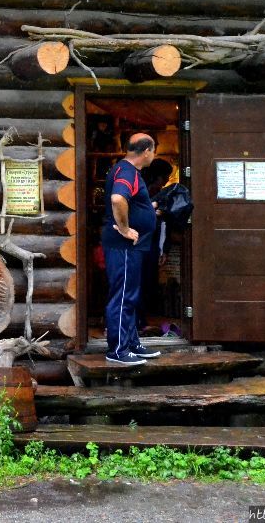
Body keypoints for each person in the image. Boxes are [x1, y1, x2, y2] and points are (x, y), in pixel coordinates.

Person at [100, 133, 161, 366]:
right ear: (146, 151)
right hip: (123, 245)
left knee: (130, 294)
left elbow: (129, 201)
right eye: (153, 151)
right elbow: (117, 199)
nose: (153, 155)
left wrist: (149, 208)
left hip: (129, 247)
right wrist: (125, 229)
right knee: (123, 294)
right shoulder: (126, 172)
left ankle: (131, 343)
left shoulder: (126, 170)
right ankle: (117, 350)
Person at [137, 157, 174, 336]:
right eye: (166, 176)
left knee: (146, 284)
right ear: (158, 176)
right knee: (140, 283)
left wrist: (163, 249)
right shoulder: (143, 191)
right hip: (140, 244)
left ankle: (141, 321)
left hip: (150, 245)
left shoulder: (158, 193)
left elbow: (165, 225)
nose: (167, 181)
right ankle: (138, 322)